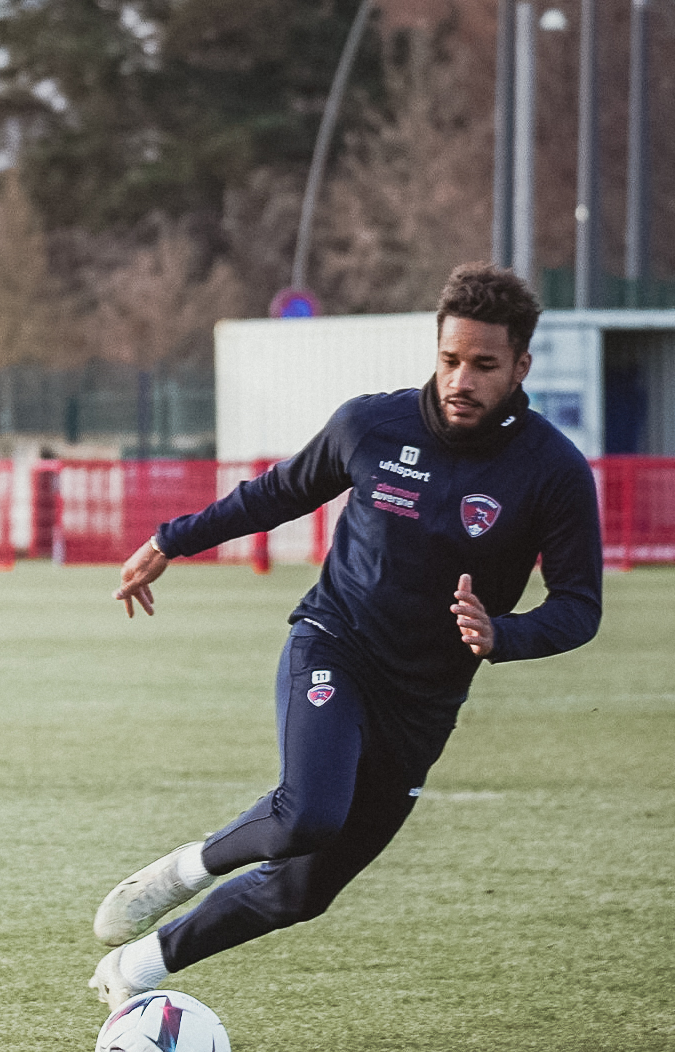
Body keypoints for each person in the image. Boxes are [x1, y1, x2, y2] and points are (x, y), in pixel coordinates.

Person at [88, 263, 603, 1009]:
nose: (462, 380)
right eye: (450, 360)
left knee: (301, 892)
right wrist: (172, 539)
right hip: (336, 643)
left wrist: (506, 634)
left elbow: (581, 606)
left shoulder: (552, 470)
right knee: (307, 813)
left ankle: (136, 970)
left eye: (484, 366)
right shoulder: (370, 424)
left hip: (424, 701)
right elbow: (277, 492)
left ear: (521, 366)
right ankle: (184, 870)